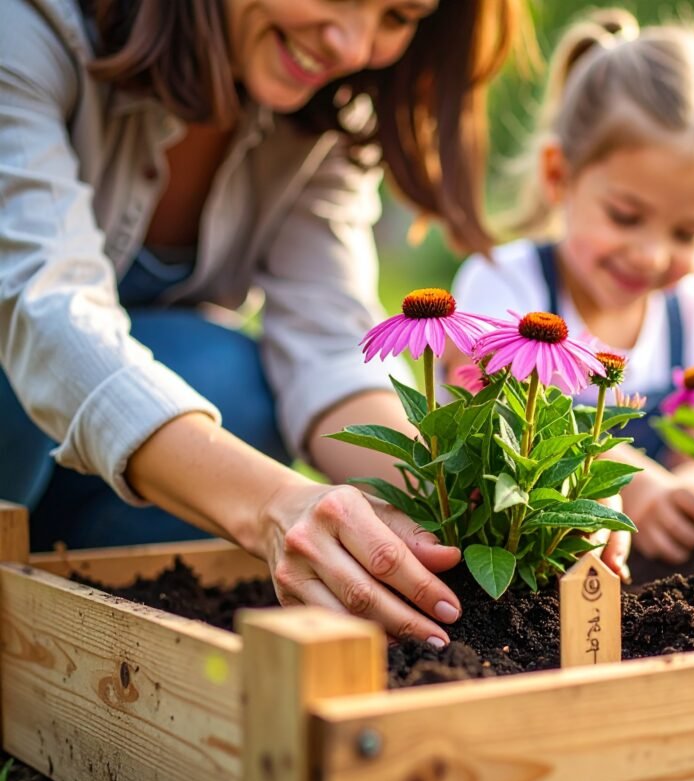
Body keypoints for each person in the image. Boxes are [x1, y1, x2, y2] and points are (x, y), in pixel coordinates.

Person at [0, 0, 529, 646]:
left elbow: (327, 343)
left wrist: (470, 501)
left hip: (92, 461)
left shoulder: (327, 110)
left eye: (397, 15)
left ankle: (73, 623)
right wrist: (273, 506)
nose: (350, 45)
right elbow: (43, 313)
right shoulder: (27, 25)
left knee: (241, 388)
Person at [448, 9, 694, 564]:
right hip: (524, 564)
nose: (651, 254)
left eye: (687, 231)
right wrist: (631, 485)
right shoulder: (505, 287)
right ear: (559, 176)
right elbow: (486, 421)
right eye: (625, 216)